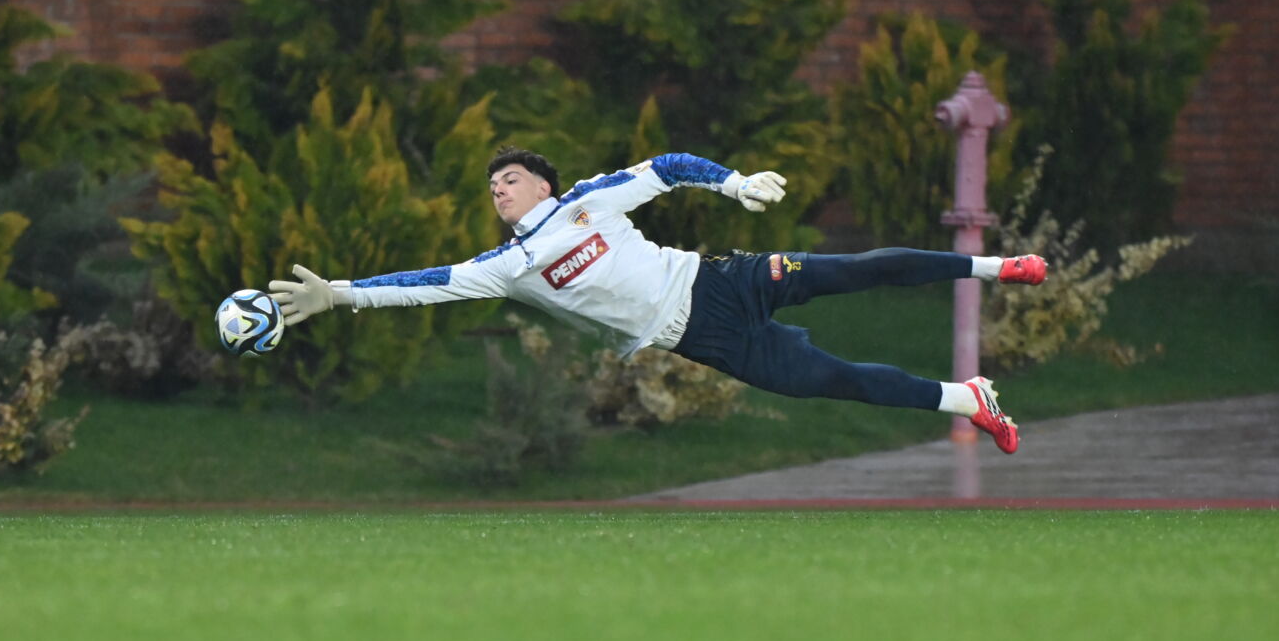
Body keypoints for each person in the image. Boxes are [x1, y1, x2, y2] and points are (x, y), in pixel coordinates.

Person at [269, 147, 1046, 453]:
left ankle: (995, 265)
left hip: (722, 279)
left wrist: (735, 183)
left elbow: (668, 165)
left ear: (543, 184)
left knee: (855, 269)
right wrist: (336, 293)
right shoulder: (507, 266)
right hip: (702, 339)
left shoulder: (588, 201)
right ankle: (967, 398)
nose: (498, 189)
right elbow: (425, 284)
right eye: (491, 185)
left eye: (510, 178)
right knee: (833, 381)